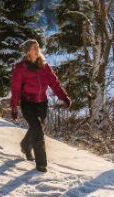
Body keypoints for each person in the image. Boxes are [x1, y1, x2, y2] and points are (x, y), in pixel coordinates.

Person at [10, 39, 71, 173]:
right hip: (28, 103)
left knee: (36, 128)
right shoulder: (20, 68)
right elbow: (15, 89)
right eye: (33, 48)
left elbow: (55, 84)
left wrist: (64, 97)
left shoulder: (44, 66)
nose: (37, 50)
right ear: (27, 52)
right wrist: (14, 107)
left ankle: (25, 145)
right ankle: (41, 163)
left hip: (42, 103)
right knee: (38, 131)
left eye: (37, 47)